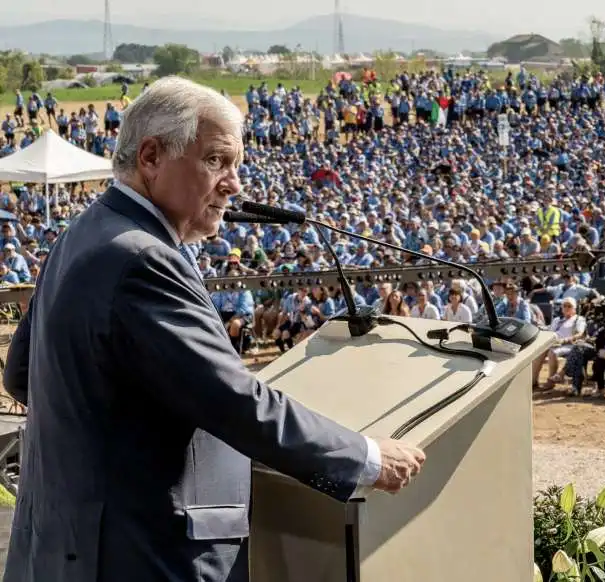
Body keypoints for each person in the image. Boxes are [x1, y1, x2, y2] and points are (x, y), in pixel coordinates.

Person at [2, 77, 425, 582]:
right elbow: (235, 401)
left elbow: (22, 373)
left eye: (236, 165)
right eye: (216, 161)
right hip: (140, 555)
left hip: (67, 545)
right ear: (152, 157)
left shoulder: (85, 231)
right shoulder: (143, 257)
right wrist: (368, 458)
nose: (234, 183)